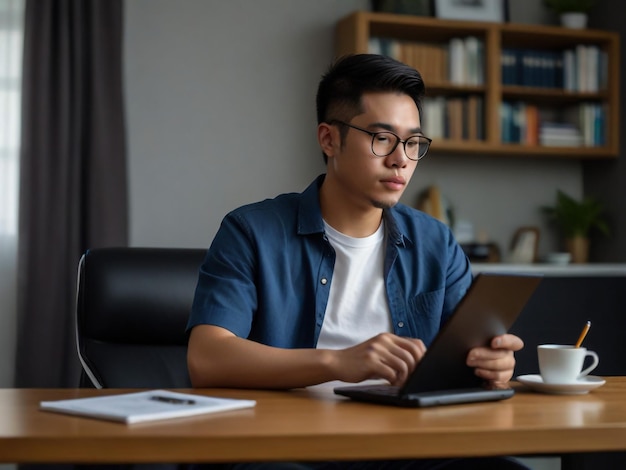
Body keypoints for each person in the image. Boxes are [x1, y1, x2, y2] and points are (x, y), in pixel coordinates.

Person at [187, 54, 528, 470]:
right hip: (288, 449)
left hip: (409, 449)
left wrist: (493, 365)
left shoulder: (435, 242)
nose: (401, 159)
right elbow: (207, 358)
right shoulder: (251, 232)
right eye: (382, 138)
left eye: (413, 142)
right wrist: (339, 361)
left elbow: (464, 361)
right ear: (329, 139)